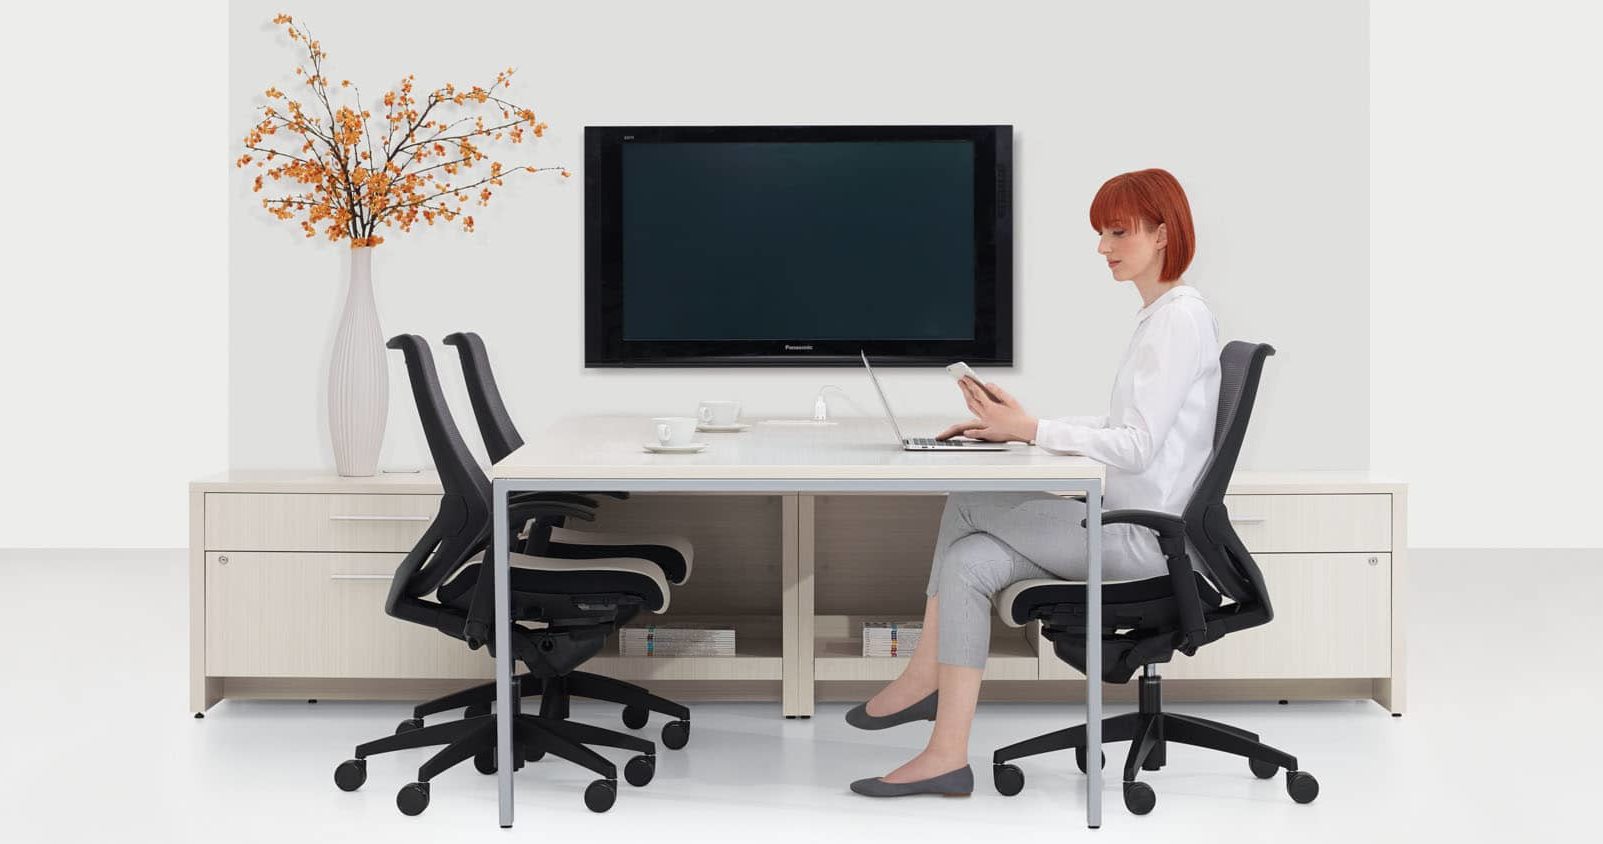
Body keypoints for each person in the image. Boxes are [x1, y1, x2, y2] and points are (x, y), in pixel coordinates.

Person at [847, 168, 1222, 797]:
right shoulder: (1163, 317)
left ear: (1162, 233)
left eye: (1118, 231)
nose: (1103, 247)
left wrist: (1032, 430)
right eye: (1101, 232)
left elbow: (1136, 446)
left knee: (967, 499)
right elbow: (1121, 425)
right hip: (1125, 522)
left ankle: (921, 676)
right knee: (969, 561)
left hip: (1139, 539)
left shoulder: (1178, 321)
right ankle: (946, 755)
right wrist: (1022, 425)